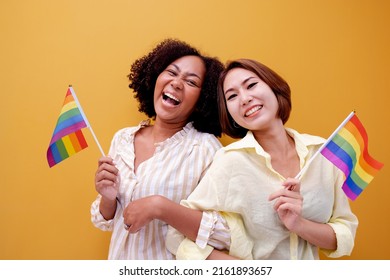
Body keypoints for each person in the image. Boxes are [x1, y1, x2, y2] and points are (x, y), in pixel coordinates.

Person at [124, 58, 358, 260]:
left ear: (274, 87)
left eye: (252, 85)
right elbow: (177, 239)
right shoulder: (230, 162)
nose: (245, 99)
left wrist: (299, 225)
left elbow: (344, 234)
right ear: (230, 113)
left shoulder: (323, 153)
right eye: (232, 96)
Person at [90, 38, 224, 260]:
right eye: (171, 72)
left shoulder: (205, 149)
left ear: (202, 99)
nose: (177, 83)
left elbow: (223, 233)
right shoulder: (122, 139)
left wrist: (160, 207)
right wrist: (108, 198)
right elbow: (105, 222)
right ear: (155, 78)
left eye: (191, 82)